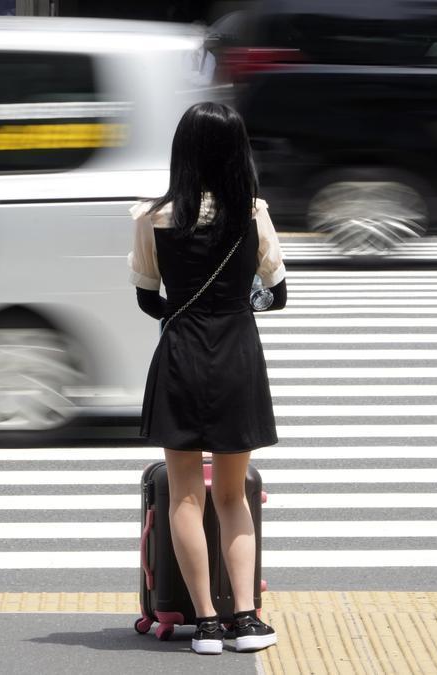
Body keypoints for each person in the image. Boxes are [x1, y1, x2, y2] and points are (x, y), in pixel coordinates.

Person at [127, 101, 286, 656]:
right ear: (237, 152)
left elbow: (149, 299)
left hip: (180, 355)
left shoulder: (152, 216)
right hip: (237, 356)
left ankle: (207, 623)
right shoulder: (253, 212)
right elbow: (280, 293)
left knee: (185, 498)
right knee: (234, 497)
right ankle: (246, 617)